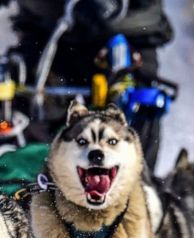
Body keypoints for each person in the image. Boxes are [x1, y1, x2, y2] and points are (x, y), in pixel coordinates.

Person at [12, 0, 173, 169]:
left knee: (137, 113)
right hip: (49, 29)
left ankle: (140, 185)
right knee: (31, 115)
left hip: (129, 31)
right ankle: (28, 183)